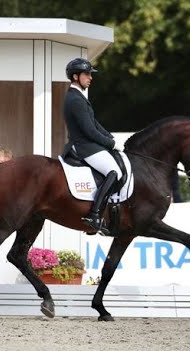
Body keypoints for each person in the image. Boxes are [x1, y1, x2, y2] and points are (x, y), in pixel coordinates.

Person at [61, 58, 125, 235]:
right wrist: (111, 143)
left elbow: (95, 123)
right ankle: (95, 215)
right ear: (76, 76)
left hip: (89, 144)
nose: (91, 78)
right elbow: (89, 131)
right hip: (84, 146)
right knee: (115, 172)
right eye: (87, 74)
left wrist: (110, 137)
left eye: (90, 74)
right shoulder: (75, 100)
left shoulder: (79, 97)